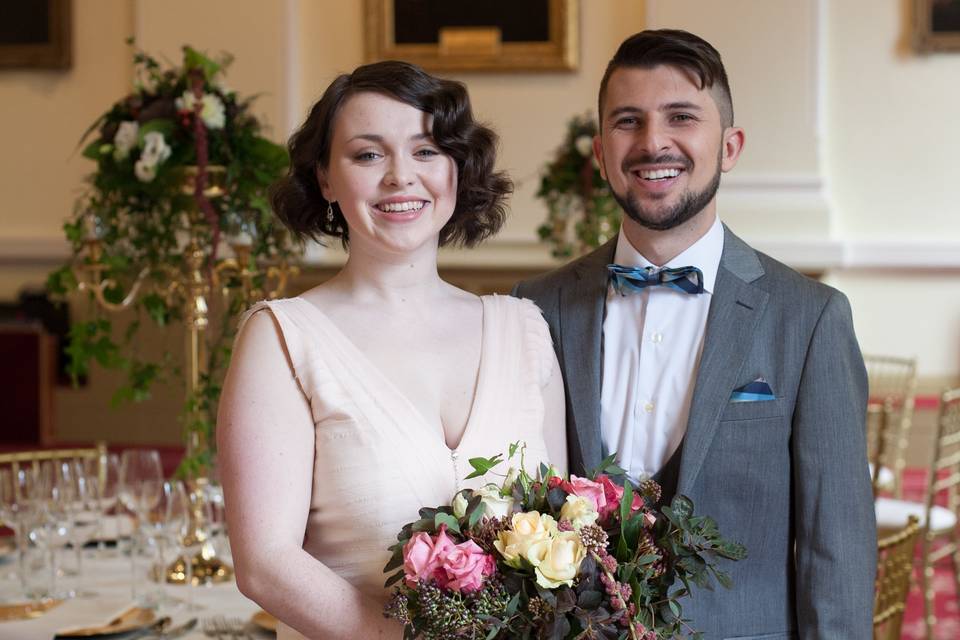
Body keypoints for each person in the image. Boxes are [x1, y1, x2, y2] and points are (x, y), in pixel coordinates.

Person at [514, 30, 876, 639]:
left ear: (729, 145)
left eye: (681, 117)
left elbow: (835, 550)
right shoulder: (535, 308)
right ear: (601, 152)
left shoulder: (810, 319)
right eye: (629, 121)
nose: (653, 141)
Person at [217, 61, 567, 640]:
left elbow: (560, 538)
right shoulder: (281, 337)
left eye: (426, 151)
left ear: (458, 169)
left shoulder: (524, 330)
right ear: (325, 179)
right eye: (368, 155)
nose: (401, 177)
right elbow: (265, 565)